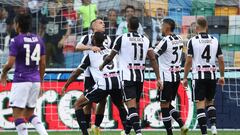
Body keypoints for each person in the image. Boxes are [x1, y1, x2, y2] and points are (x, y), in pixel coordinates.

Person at [99, 17, 162, 135]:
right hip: (140, 76)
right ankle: (127, 132)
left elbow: (110, 57)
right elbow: (153, 58)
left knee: (131, 106)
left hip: (127, 77)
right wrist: (158, 78)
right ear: (138, 26)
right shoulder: (145, 39)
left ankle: (138, 132)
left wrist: (102, 66)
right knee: (134, 106)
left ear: (127, 26)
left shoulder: (121, 38)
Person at [62, 32, 127, 135]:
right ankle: (126, 131)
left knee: (78, 104)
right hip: (116, 83)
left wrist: (66, 84)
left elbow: (77, 72)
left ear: (94, 41)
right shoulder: (111, 51)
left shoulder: (90, 55)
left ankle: (85, 133)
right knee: (120, 106)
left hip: (103, 84)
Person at [0, 14, 47, 135]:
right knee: (29, 113)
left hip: (21, 80)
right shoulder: (39, 39)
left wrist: (3, 73)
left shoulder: (16, 40)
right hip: (35, 81)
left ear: (17, 25)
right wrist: (40, 81)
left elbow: (10, 64)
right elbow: (43, 64)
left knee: (17, 115)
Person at [183, 17, 225, 135]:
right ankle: (214, 127)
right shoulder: (215, 40)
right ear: (206, 27)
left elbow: (188, 61)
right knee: (210, 102)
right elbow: (221, 60)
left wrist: (185, 77)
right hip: (212, 75)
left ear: (196, 28)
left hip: (198, 75)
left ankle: (204, 132)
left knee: (200, 104)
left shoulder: (192, 40)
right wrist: (222, 76)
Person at [75, 18, 112, 135]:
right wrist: (91, 48)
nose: (103, 24)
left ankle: (96, 127)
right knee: (88, 102)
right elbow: (78, 46)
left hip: (102, 74)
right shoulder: (88, 37)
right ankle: (86, 129)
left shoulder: (108, 39)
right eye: (100, 23)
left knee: (103, 100)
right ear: (93, 26)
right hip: (89, 74)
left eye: (103, 22)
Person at [154, 18, 188, 135]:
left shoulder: (165, 40)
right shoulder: (179, 39)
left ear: (167, 27)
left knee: (164, 105)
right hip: (176, 77)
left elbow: (153, 55)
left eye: (162, 25)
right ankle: (182, 125)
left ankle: (170, 132)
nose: (161, 27)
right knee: (167, 104)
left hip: (166, 78)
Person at [42, 1, 70, 68]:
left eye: (53, 5)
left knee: (60, 62)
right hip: (47, 43)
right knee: (46, 62)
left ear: (56, 6)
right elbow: (41, 30)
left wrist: (63, 39)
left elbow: (68, 29)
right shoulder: (44, 17)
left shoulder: (61, 17)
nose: (51, 7)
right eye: (50, 5)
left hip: (58, 43)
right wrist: (40, 40)